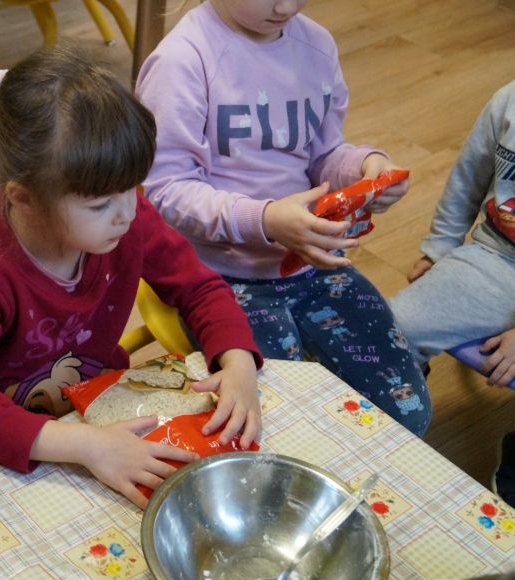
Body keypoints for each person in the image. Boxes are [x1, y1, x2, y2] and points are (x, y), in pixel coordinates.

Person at [0, 47, 263, 509]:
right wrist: (88, 446)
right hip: (7, 442)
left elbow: (199, 287)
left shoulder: (123, 214)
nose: (127, 212)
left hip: (98, 408)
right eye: (101, 204)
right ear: (24, 198)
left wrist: (238, 365)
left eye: (132, 188)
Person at [135, 0, 431, 435]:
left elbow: (323, 154)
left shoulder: (316, 45)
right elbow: (166, 191)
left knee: (407, 411)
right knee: (274, 426)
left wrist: (364, 168)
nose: (286, 6)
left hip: (313, 263)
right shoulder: (181, 61)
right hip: (220, 279)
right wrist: (265, 219)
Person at [387, 81, 515, 503]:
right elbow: (468, 177)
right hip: (499, 257)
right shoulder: (508, 100)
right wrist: (440, 249)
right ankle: (392, 421)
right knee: (392, 327)